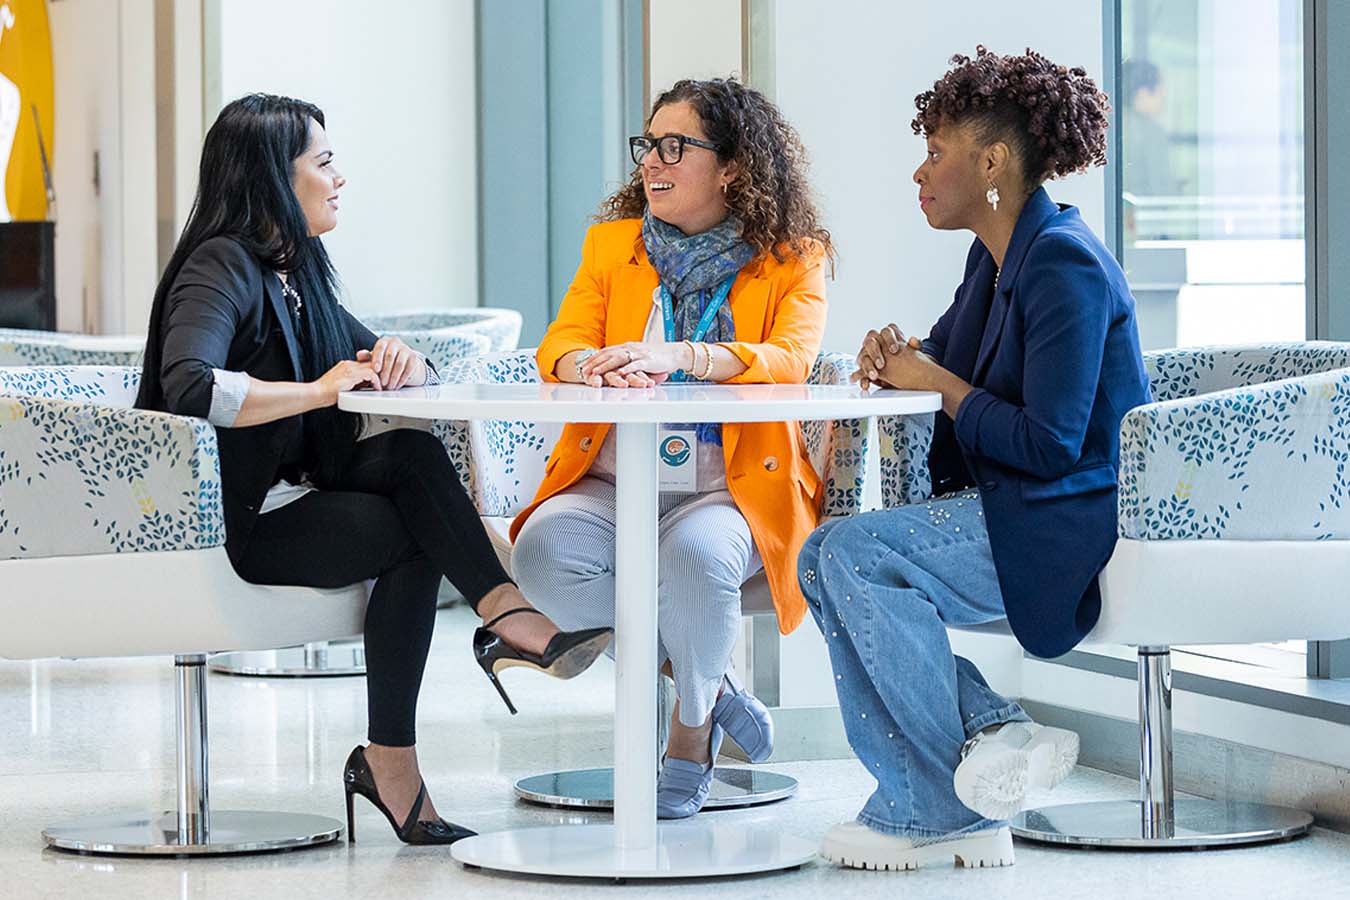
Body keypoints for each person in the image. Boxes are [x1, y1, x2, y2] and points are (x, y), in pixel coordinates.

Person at [136, 94, 611, 846]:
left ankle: (484, 639)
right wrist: (322, 390)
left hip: (275, 506)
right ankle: (444, 696)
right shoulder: (220, 264)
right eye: (323, 163)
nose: (340, 179)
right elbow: (191, 385)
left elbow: (375, 355)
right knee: (411, 528)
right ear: (272, 178)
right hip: (218, 528)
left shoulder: (297, 271)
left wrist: (403, 359)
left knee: (413, 460)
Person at [800, 47, 1152, 870]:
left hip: (1066, 518)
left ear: (991, 161)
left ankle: (932, 808)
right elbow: (947, 368)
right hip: (1014, 504)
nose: (919, 173)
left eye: (935, 152)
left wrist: (936, 381)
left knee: (851, 552)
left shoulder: (1064, 263)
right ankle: (986, 733)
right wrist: (897, 356)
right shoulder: (994, 259)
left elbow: (1052, 442)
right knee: (822, 555)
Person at [510, 77, 833, 818]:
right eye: (649, 145)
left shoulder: (793, 257)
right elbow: (560, 342)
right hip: (613, 480)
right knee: (541, 555)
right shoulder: (612, 246)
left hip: (729, 486)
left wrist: (682, 357)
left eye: (675, 147)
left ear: (733, 168)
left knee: (696, 557)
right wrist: (589, 364)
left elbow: (791, 359)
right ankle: (712, 686)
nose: (652, 161)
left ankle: (688, 734)